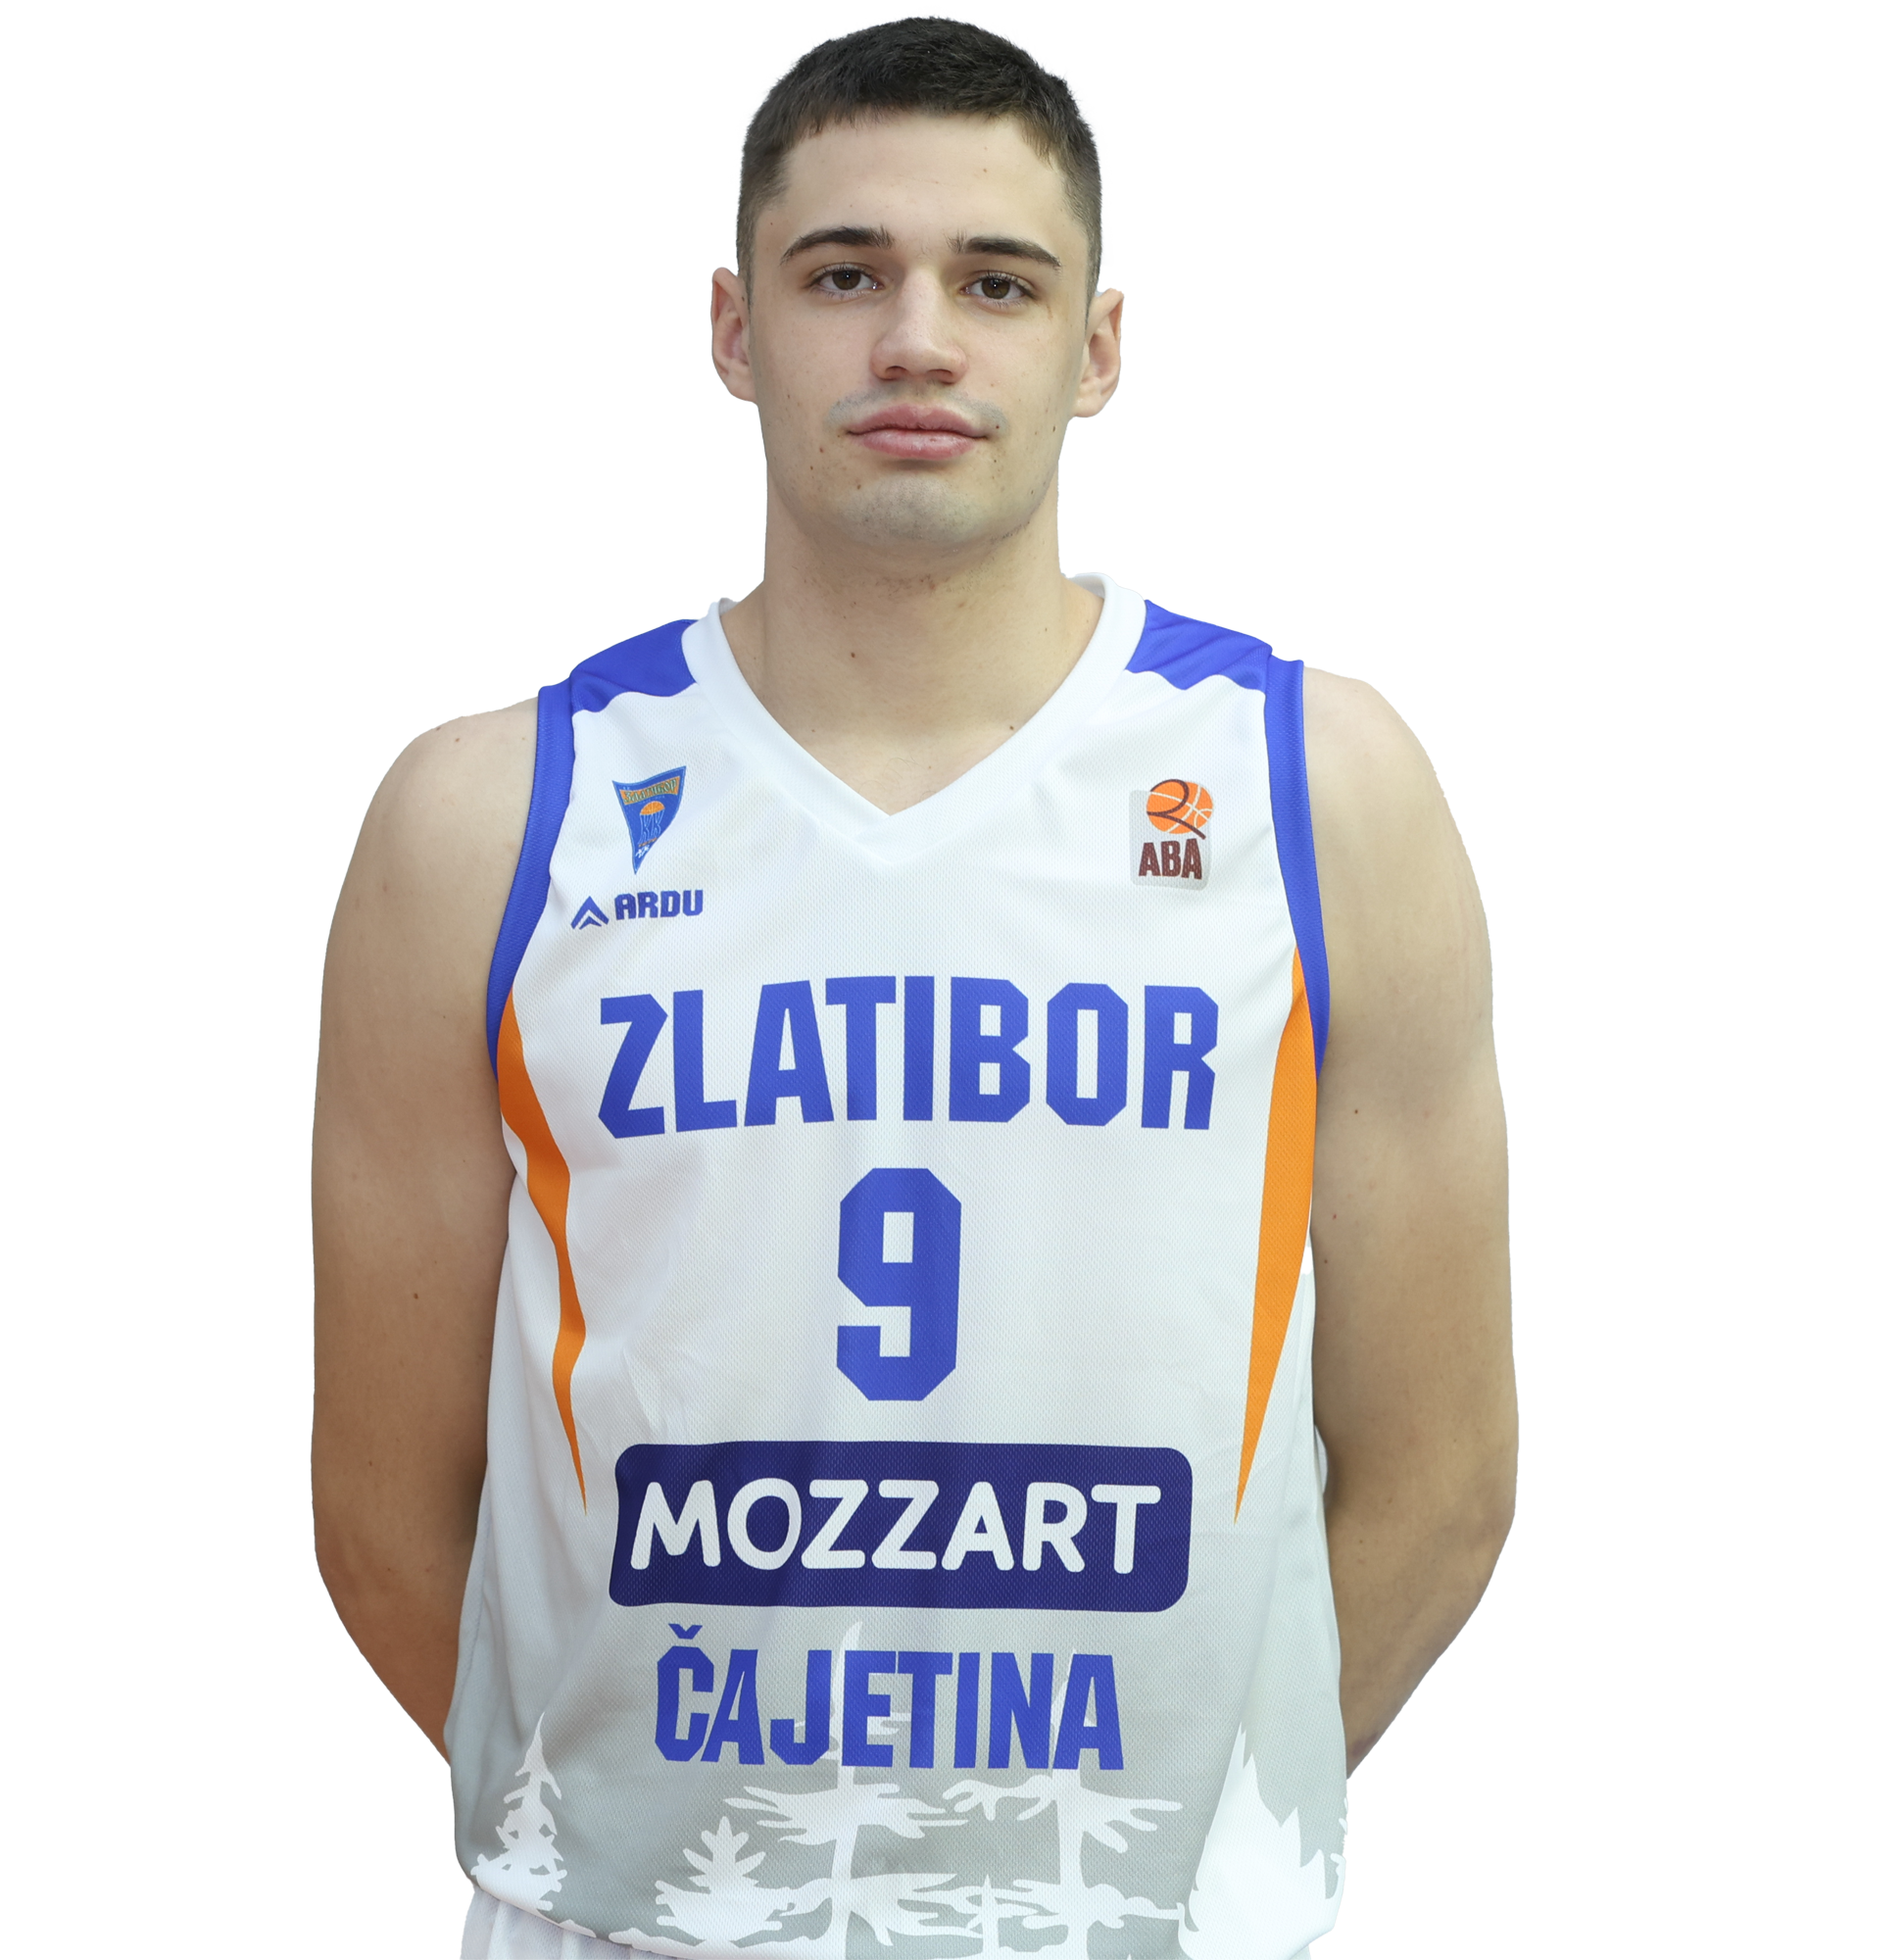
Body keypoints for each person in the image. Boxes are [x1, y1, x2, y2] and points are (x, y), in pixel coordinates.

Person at [313, 18, 1515, 1959]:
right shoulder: (490, 820)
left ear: (1095, 349)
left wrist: (1161, 1857)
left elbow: (1443, 1478)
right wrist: (645, 1856)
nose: (919, 341)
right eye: (844, 274)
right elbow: (381, 1507)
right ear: (735, 329)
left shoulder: (1315, 791)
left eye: (998, 282)